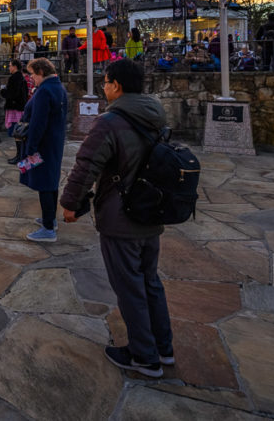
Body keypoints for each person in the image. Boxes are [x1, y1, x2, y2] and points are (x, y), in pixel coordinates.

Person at [59, 58, 173, 378]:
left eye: (106, 82)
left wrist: (70, 204)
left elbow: (86, 166)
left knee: (130, 287)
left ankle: (143, 356)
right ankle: (163, 348)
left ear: (117, 86)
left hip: (122, 217)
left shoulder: (111, 121)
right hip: (152, 212)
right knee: (150, 282)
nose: (104, 87)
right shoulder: (155, 115)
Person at [19, 57, 68, 242]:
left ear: (40, 72)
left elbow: (38, 123)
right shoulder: (58, 87)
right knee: (51, 181)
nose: (31, 78)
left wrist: (31, 148)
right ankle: (50, 219)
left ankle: (48, 228)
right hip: (54, 142)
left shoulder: (45, 91)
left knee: (44, 184)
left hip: (43, 145)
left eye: (32, 74)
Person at [0, 60, 30, 163]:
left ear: (15, 67)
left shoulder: (15, 78)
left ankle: (19, 156)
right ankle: (20, 155)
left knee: (18, 132)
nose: (9, 68)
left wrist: (3, 92)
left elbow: (13, 93)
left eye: (10, 66)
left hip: (15, 108)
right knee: (18, 132)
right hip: (18, 107)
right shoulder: (20, 77)